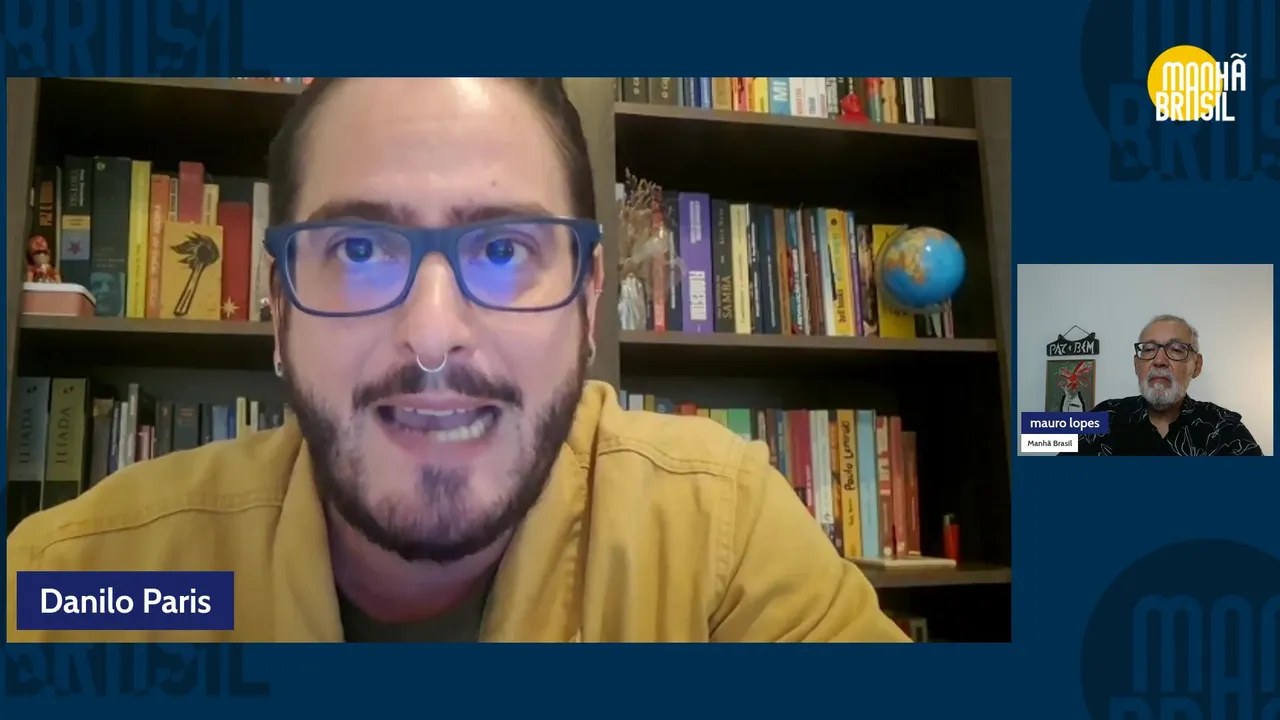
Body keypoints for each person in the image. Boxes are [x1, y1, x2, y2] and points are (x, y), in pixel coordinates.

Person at [7, 78, 909, 642]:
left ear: (588, 302)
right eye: (360, 250)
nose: (432, 335)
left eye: (504, 251)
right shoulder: (89, 580)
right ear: (278, 310)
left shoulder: (719, 537)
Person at [1071, 314, 1263, 456]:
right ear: (1137, 365)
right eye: (1149, 349)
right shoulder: (1102, 416)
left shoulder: (1226, 429)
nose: (1159, 360)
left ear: (1197, 366)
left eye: (1176, 349)